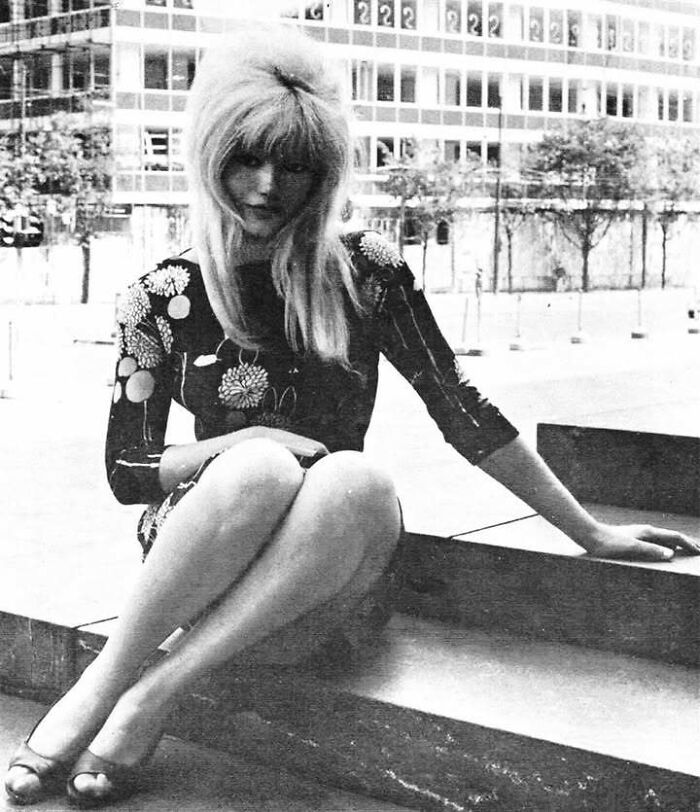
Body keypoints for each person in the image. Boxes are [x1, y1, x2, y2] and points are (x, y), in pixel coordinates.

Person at [5, 22, 699, 809]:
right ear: (209, 157)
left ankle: (152, 692)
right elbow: (127, 473)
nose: (267, 185)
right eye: (245, 158)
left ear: (324, 172)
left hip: (322, 583)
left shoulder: (370, 273)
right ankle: (106, 684)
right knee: (261, 465)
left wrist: (591, 532)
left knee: (356, 477)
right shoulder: (162, 294)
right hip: (199, 561)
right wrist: (248, 440)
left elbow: (460, 408)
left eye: (293, 165)